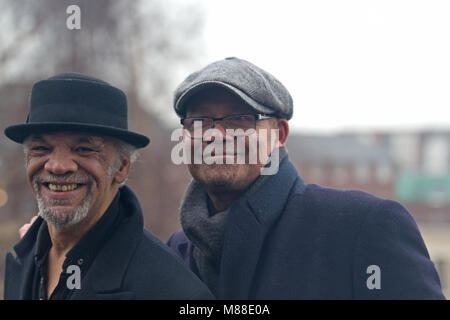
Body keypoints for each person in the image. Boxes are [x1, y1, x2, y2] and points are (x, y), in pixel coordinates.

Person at [166, 57, 445, 299]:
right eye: (199, 121)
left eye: (240, 120)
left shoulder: (363, 227)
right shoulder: (173, 253)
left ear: (279, 135)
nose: (216, 135)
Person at [4, 73, 213, 300]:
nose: (58, 166)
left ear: (121, 167)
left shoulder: (173, 291)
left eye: (84, 149)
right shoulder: (25, 260)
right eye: (41, 149)